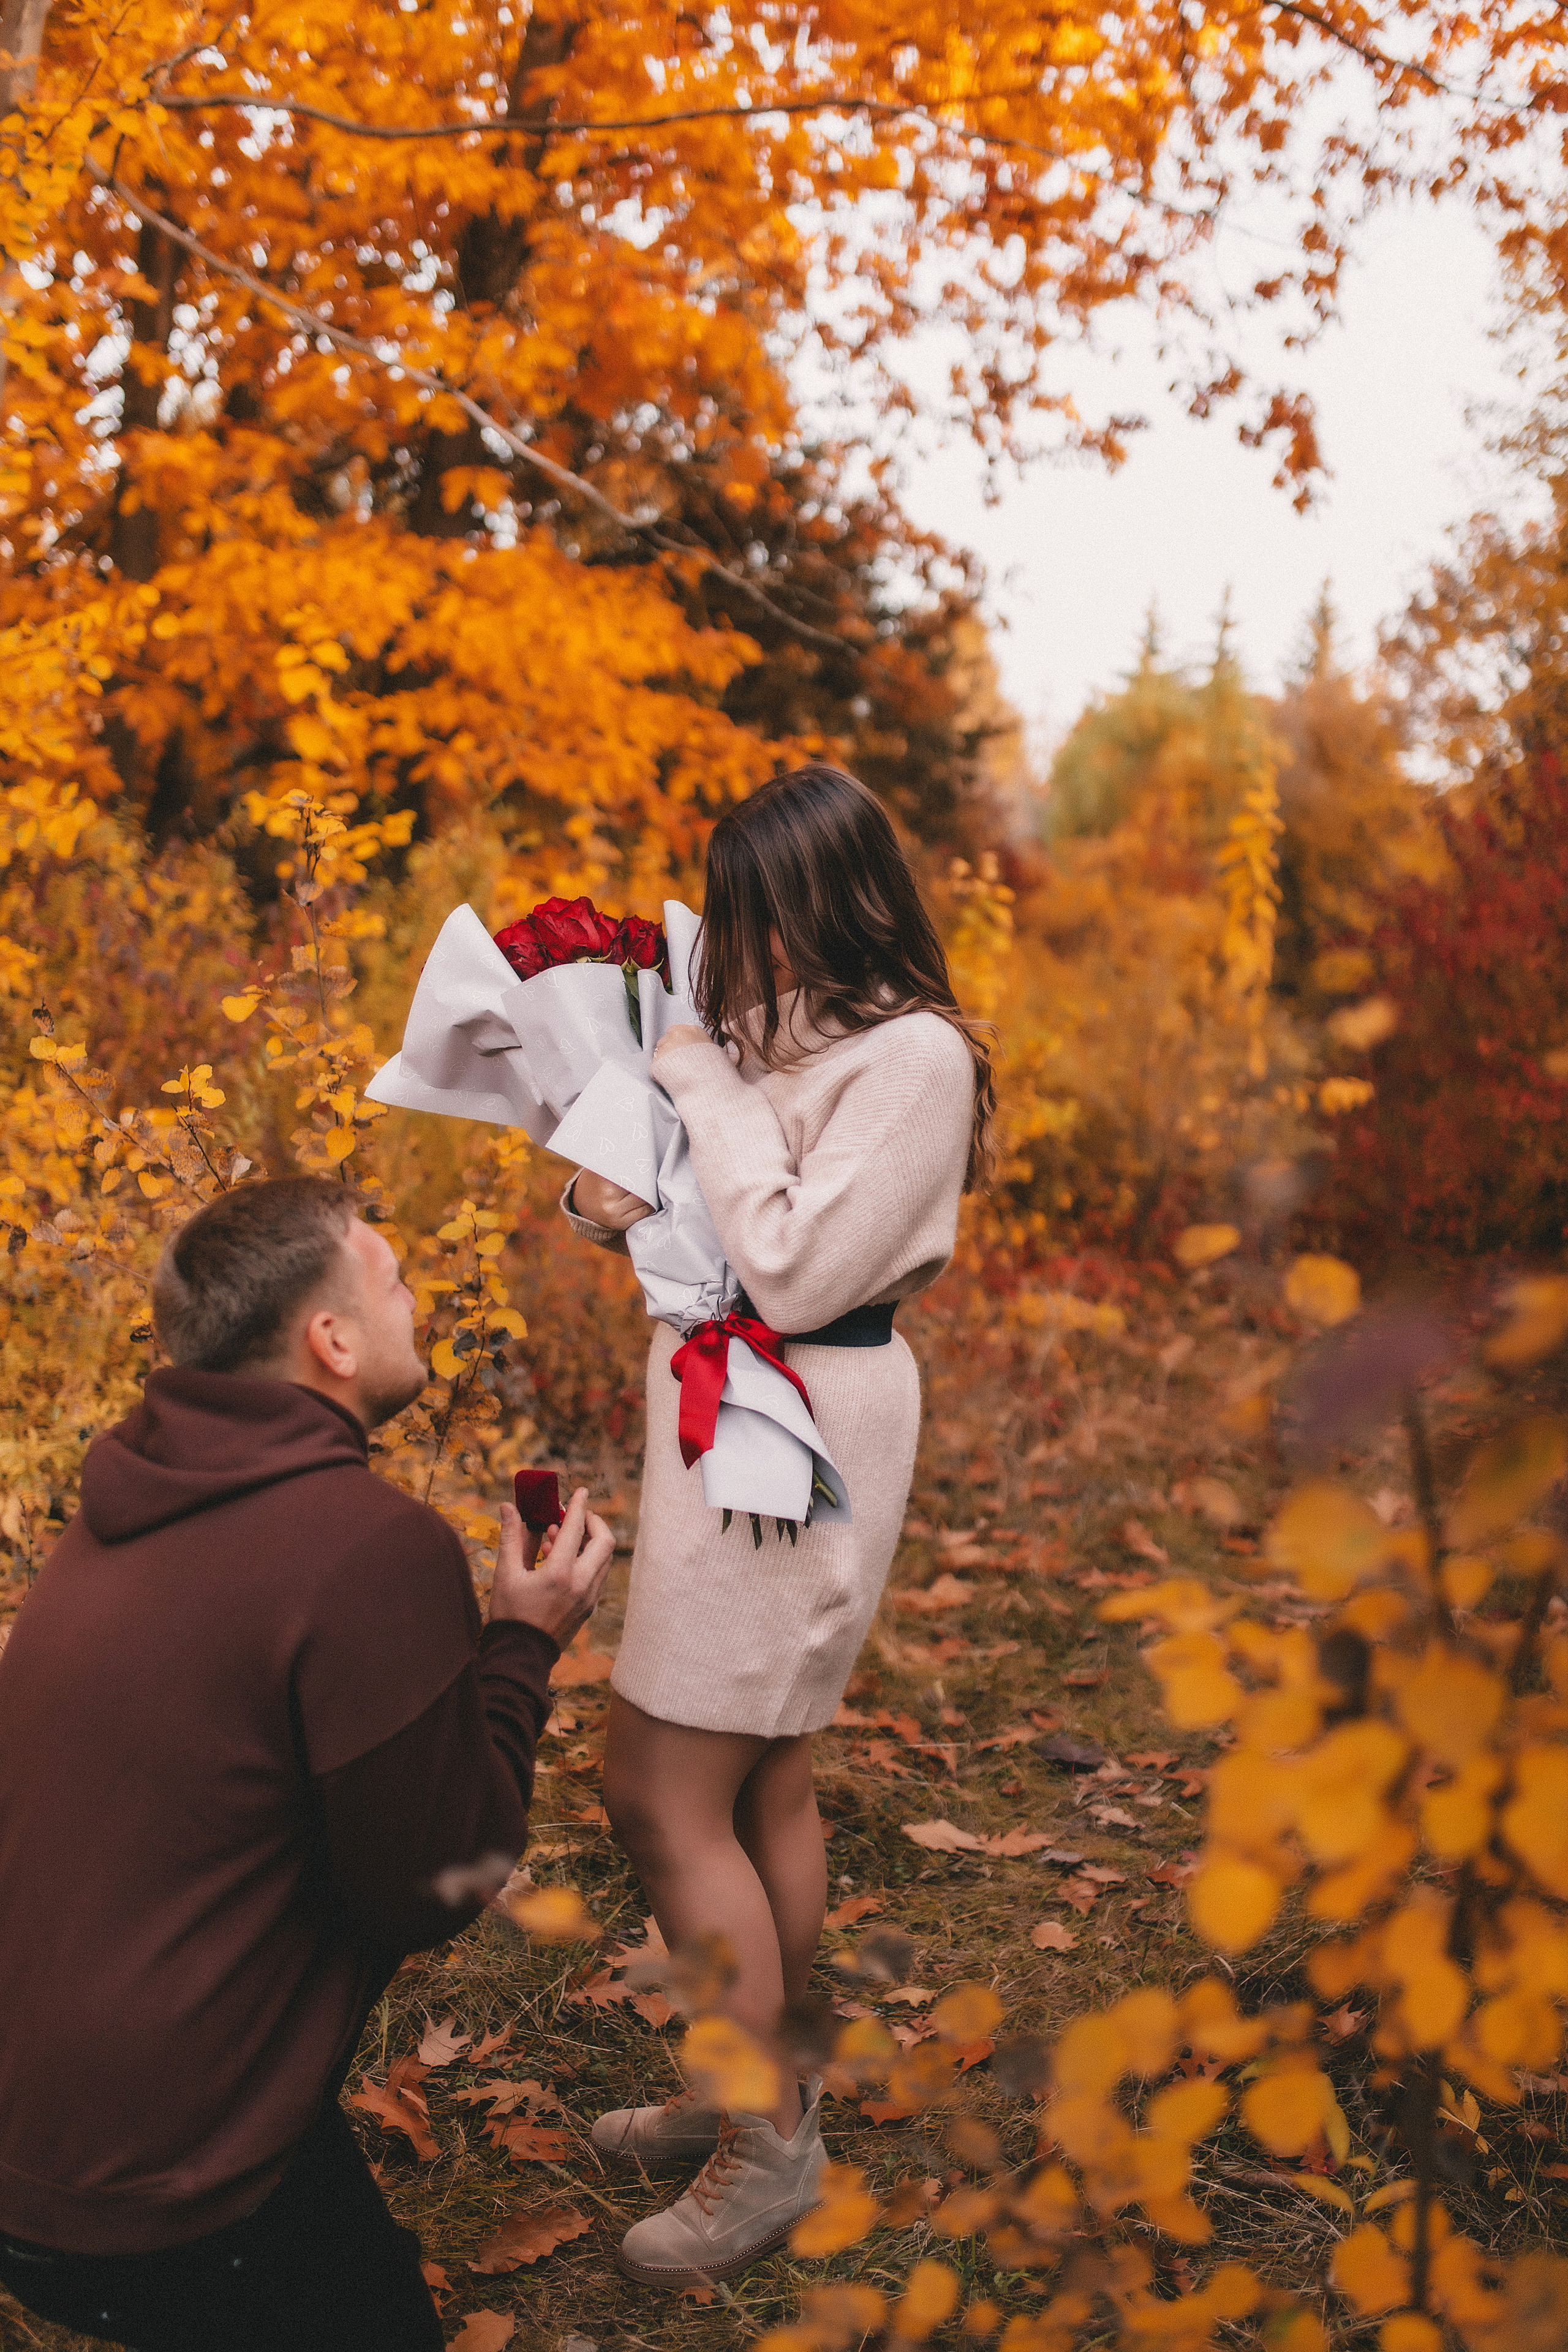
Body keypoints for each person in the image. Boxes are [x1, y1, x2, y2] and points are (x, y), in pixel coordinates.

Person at [0, 1175, 614, 2352]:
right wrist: (524, 1646)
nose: (417, 1298)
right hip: (163, 2201)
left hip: (34, 2145)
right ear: (330, 1339)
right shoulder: (367, 1547)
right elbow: (442, 1874)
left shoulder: (117, 1509)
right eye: (394, 1280)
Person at [564, 763, 993, 2286]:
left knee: (657, 1791)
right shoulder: (773, 1036)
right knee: (761, 1786)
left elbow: (803, 1272)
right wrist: (604, 1189)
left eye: (755, 917)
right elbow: (704, 1192)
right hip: (730, 1419)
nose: (732, 956)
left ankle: (770, 2149)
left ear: (829, 900)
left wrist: (706, 1093)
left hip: (802, 1429)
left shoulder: (915, 1060)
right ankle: (745, 2091)